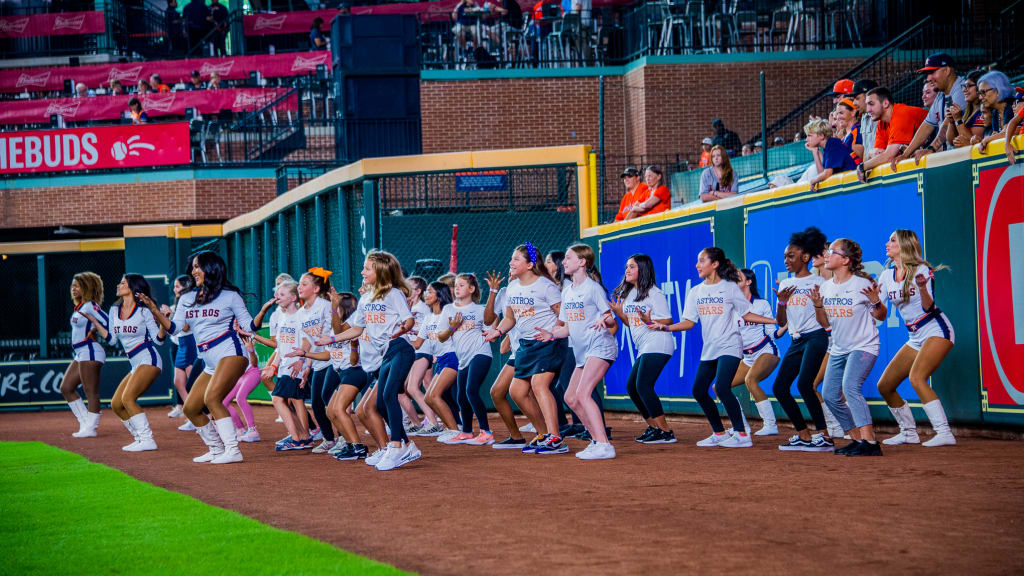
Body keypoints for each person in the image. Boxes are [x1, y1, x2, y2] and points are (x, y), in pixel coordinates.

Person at [646, 247, 776, 448]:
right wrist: (666, 327)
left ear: (714, 264)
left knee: (722, 388)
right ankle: (719, 432)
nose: (697, 265)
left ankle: (742, 434)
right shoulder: (696, 291)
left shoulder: (730, 288)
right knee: (698, 390)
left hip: (731, 346)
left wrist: (774, 320)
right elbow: (689, 322)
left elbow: (747, 314)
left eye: (701, 261)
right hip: (710, 349)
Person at [142, 250, 256, 465]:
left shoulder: (230, 296)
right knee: (191, 408)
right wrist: (154, 310)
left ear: (211, 269)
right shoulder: (187, 298)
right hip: (208, 359)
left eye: (198, 266)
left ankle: (233, 449)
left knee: (212, 399)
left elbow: (249, 325)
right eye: (193, 267)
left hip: (231, 352)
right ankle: (215, 449)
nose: (194, 271)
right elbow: (174, 329)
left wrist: (259, 318)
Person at [331, 251, 419, 471]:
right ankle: (406, 446)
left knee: (388, 395)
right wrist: (330, 339)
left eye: (367, 268)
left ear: (380, 270)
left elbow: (408, 318)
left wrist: (404, 328)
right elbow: (357, 328)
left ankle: (397, 446)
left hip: (401, 348)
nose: (363, 271)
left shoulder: (393, 293)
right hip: (387, 353)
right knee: (380, 403)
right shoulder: (366, 298)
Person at [482, 242, 567, 455]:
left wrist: (553, 333)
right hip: (526, 346)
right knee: (516, 392)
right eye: (512, 258)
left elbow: (562, 316)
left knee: (539, 385)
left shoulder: (546, 286)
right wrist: (497, 332)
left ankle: (556, 437)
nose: (511, 262)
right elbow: (509, 318)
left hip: (548, 342)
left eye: (516, 259)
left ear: (530, 264)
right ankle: (543, 434)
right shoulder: (512, 288)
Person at [535, 244, 618, 460]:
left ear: (582, 262)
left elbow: (611, 319)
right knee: (570, 397)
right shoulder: (567, 291)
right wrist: (551, 334)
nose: (564, 261)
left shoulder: (593, 288)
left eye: (569, 258)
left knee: (582, 394)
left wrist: (604, 319)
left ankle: (604, 445)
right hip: (583, 351)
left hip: (600, 346)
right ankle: (595, 439)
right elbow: (567, 327)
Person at [876, 230, 956, 447]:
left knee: (917, 377)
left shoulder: (922, 270)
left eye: (892, 240)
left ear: (904, 245)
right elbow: (880, 315)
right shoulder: (886, 275)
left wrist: (921, 287)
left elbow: (928, 308)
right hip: (914, 336)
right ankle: (909, 432)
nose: (887, 243)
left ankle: (944, 432)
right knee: (885, 385)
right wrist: (874, 301)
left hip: (936, 330)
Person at [810, 238, 887, 456]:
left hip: (864, 346)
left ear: (845, 260)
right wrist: (817, 306)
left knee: (850, 387)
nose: (826, 255)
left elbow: (881, 315)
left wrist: (875, 302)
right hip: (839, 348)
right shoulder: (826, 287)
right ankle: (856, 439)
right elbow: (824, 323)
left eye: (832, 252)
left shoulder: (862, 284)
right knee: (829, 394)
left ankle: (870, 442)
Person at [81, 274, 166, 452]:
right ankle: (138, 438)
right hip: (135, 363)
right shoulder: (114, 310)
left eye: (123, 283)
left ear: (133, 288)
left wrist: (163, 322)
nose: (119, 285)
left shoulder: (143, 310)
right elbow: (112, 340)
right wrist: (95, 322)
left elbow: (158, 341)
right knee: (116, 404)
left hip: (148, 359)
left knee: (128, 399)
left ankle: (147, 439)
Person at [773, 227, 835, 452]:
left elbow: (825, 317)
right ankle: (803, 434)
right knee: (780, 387)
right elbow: (781, 322)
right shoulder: (786, 284)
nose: (786, 261)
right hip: (796, 340)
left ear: (806, 257)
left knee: (804, 384)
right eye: (785, 257)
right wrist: (781, 302)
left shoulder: (819, 283)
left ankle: (824, 436)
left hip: (816, 337)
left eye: (791, 256)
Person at [608, 254, 676, 443]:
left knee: (643, 385)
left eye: (632, 267)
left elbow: (668, 320)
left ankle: (666, 431)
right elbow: (631, 324)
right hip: (644, 344)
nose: (627, 270)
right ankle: (654, 427)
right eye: (626, 267)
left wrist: (650, 321)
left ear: (642, 270)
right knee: (632, 387)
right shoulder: (630, 294)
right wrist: (620, 314)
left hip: (658, 342)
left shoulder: (654, 293)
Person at [245, 280, 312, 450]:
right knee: (290, 400)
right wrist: (273, 366)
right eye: (277, 294)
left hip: (294, 367)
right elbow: (281, 347)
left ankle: (297, 438)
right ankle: (303, 437)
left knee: (278, 399)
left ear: (293, 298)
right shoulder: (281, 317)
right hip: (284, 367)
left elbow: (308, 343)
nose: (277, 297)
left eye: (282, 295)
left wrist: (303, 363)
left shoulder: (301, 316)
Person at [436, 273, 494, 445]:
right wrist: (452, 328)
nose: (457, 288)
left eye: (462, 285)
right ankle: (467, 432)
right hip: (463, 358)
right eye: (456, 285)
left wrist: (493, 293)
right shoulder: (448, 309)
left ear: (471, 289)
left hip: (481, 353)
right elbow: (441, 337)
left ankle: (486, 432)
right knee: (461, 396)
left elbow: (490, 327)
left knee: (470, 390)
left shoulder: (480, 309)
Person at [483, 271, 529, 448]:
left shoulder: (534, 288)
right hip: (517, 351)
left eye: (515, 265)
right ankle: (517, 437)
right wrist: (493, 292)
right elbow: (488, 320)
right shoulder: (504, 292)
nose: (511, 272)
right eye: (509, 269)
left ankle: (549, 433)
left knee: (532, 393)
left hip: (532, 347)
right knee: (497, 392)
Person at [731, 268, 780, 436]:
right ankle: (741, 426)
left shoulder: (761, 304)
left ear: (748, 282)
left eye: (738, 278)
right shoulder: (731, 307)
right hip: (747, 356)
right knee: (719, 386)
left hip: (766, 351)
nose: (733, 281)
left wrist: (784, 327)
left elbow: (773, 333)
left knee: (750, 380)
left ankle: (770, 425)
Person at [61, 272, 107, 438]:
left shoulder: (90, 306)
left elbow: (108, 322)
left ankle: (91, 428)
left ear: (86, 287)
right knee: (66, 388)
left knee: (91, 391)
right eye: (72, 285)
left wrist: (96, 328)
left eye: (77, 285)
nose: (73, 289)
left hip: (90, 350)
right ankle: (85, 422)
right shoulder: (81, 306)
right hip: (80, 352)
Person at [295, 269, 336, 453]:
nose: (299, 287)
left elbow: (333, 330)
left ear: (317, 288)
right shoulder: (301, 313)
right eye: (299, 284)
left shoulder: (325, 306)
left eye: (304, 284)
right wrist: (303, 359)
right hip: (318, 361)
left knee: (330, 400)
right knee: (317, 403)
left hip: (334, 359)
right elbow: (306, 340)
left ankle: (344, 438)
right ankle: (329, 439)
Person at [900, 54, 967, 162]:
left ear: (947, 70)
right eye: (927, 74)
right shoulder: (941, 94)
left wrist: (931, 149)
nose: (929, 78)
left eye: (932, 72)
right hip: (952, 156)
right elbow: (927, 125)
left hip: (965, 156)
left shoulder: (961, 89)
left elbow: (946, 123)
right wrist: (906, 154)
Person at [419, 281, 463, 439]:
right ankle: (451, 426)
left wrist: (452, 328)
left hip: (453, 357)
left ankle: (454, 430)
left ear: (439, 295)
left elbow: (451, 334)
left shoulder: (450, 310)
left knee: (435, 395)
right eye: (426, 292)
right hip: (441, 360)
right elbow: (417, 343)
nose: (426, 295)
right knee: (429, 398)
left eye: (430, 292)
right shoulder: (428, 317)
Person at [857, 87, 927, 182]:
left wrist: (862, 166)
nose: (868, 109)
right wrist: (872, 154)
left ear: (885, 103)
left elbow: (888, 156)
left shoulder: (901, 114)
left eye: (871, 104)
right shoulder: (881, 123)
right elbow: (879, 155)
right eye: (867, 105)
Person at [402, 276, 441, 435]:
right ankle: (419, 422)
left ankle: (432, 421)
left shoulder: (423, 308)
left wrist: (433, 351)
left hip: (422, 350)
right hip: (413, 350)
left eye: (409, 287)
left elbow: (428, 330)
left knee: (413, 387)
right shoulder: (408, 307)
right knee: (405, 388)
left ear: (418, 291)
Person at [159, 274, 197, 420]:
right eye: (174, 286)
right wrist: (164, 316)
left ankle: (199, 415)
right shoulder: (178, 303)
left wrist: (172, 313)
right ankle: (190, 415)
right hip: (181, 343)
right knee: (178, 382)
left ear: (186, 287)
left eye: (177, 286)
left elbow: (186, 327)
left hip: (189, 342)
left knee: (192, 382)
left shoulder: (190, 303)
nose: (175, 289)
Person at [223, 333, 262, 442]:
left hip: (253, 372)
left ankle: (253, 430)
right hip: (240, 376)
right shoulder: (227, 345)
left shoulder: (245, 341)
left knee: (240, 398)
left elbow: (254, 364)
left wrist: (250, 350)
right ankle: (241, 429)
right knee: (223, 402)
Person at [803, 118, 858, 191]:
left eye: (809, 135)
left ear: (821, 136)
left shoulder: (833, 143)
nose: (806, 139)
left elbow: (827, 173)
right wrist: (815, 151)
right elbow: (822, 173)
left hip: (856, 181)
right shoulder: (828, 146)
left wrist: (813, 181)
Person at [946, 69, 986, 148]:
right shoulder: (965, 112)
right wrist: (952, 122)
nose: (964, 90)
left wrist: (958, 120)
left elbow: (971, 141)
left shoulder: (984, 112)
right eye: (963, 86)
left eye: (968, 86)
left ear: (980, 87)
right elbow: (951, 141)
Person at [977, 71, 1016, 148]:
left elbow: (1009, 133)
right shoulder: (996, 113)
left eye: (983, 92)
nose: (980, 97)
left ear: (998, 91)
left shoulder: (1011, 106)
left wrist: (986, 140)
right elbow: (995, 136)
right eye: (979, 93)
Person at [850, 78, 879, 157]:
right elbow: (866, 151)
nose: (854, 103)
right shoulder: (864, 117)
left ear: (869, 96)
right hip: (870, 166)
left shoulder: (881, 115)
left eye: (857, 98)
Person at [835, 97, 864, 162]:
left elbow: (860, 154)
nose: (838, 117)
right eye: (837, 114)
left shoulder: (858, 131)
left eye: (841, 113)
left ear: (853, 112)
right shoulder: (843, 137)